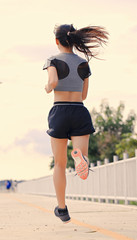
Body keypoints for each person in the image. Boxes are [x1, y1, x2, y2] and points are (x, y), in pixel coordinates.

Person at [43, 24, 108, 223]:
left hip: (60, 110)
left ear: (57, 41)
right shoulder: (83, 63)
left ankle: (62, 209)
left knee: (60, 164)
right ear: (73, 41)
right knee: (83, 156)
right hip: (79, 110)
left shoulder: (52, 60)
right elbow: (84, 95)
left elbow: (53, 82)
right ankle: (83, 160)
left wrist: (48, 87)